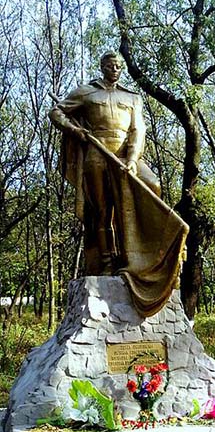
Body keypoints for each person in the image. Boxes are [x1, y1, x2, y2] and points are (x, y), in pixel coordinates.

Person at [49, 51, 188, 316]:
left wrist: (133, 159)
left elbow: (138, 130)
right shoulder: (86, 92)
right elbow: (56, 112)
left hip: (124, 155)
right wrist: (74, 130)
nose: (115, 69)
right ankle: (107, 261)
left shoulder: (132, 98)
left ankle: (148, 258)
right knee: (102, 211)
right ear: (102, 67)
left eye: (119, 66)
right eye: (111, 65)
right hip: (96, 154)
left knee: (153, 186)